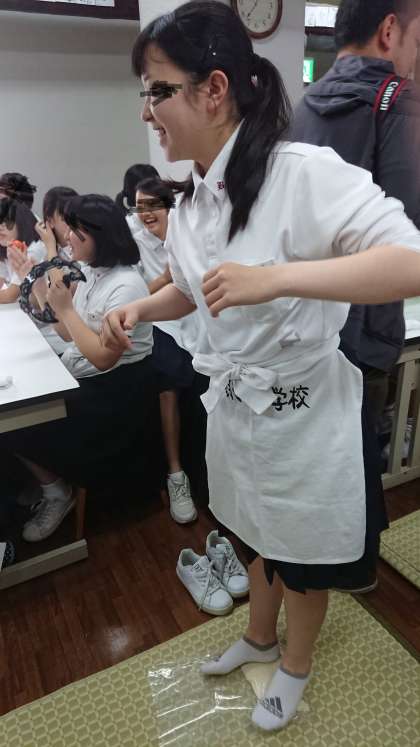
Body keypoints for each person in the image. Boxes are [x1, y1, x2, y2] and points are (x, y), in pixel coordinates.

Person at [101, 1, 420, 732]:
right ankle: (257, 635)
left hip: (301, 406)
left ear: (214, 89)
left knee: (301, 550)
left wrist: (275, 279)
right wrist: (142, 308)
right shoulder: (189, 202)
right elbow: (196, 288)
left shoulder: (300, 173)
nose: (148, 112)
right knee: (249, 531)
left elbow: (408, 261)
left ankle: (295, 664)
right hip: (234, 403)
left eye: (158, 91)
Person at [292, 0, 420, 424]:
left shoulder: (302, 108)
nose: (414, 57)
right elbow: (409, 235)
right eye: (416, 41)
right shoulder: (400, 103)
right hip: (364, 333)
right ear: (389, 31)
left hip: (302, 324)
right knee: (358, 453)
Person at [3, 194, 154, 542]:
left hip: (113, 395)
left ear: (99, 236)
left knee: (15, 423)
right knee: (16, 408)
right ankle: (47, 481)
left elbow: (102, 357)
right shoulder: (90, 272)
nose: (67, 237)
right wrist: (35, 283)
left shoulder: (126, 285)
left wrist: (66, 309)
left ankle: (57, 490)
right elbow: (67, 333)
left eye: (75, 232)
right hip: (84, 376)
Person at [134, 175, 198, 523]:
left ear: (170, 206)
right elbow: (136, 295)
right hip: (162, 324)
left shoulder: (191, 234)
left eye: (153, 205)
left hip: (201, 321)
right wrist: (166, 277)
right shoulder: (136, 244)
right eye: (139, 207)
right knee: (167, 377)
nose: (146, 213)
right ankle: (176, 474)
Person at [0, 198, 46, 302]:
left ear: (21, 223)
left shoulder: (34, 249)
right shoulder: (6, 247)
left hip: (43, 308)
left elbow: (11, 295)